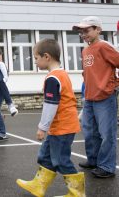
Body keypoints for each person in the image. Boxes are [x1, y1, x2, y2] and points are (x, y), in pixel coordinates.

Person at [16, 39, 85, 197]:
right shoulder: (61, 74)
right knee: (45, 155)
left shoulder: (53, 78)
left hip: (63, 127)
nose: (34, 61)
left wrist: (42, 127)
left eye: (35, 58)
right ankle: (38, 186)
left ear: (46, 57)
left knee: (61, 160)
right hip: (59, 127)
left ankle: (77, 193)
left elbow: (51, 104)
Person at [73, 16, 119, 178]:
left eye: (87, 30)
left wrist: (113, 84)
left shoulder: (104, 46)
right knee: (90, 131)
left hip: (105, 97)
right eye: (81, 32)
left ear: (98, 29)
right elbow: (88, 74)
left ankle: (106, 166)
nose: (83, 34)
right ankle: (93, 160)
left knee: (107, 133)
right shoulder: (85, 50)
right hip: (90, 97)